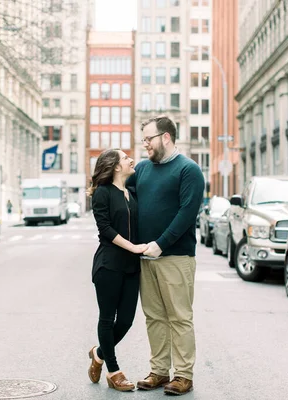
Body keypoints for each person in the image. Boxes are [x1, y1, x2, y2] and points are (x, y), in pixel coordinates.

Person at [127, 116, 205, 395]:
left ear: (166, 137)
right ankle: (159, 371)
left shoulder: (189, 170)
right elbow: (126, 200)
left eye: (149, 138)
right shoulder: (143, 169)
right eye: (144, 139)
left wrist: (161, 244)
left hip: (176, 257)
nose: (145, 144)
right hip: (146, 257)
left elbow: (187, 213)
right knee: (154, 316)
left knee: (179, 317)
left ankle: (183, 375)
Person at [86, 149, 149, 392]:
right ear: (114, 166)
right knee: (107, 318)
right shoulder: (102, 193)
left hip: (131, 266)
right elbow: (105, 229)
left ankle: (99, 354)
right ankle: (113, 371)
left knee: (125, 321)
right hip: (109, 265)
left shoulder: (131, 193)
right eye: (125, 158)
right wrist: (132, 247)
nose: (131, 160)